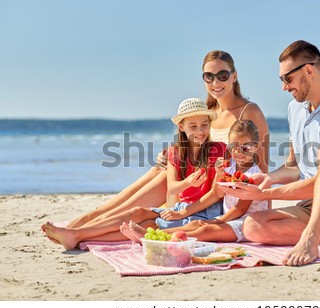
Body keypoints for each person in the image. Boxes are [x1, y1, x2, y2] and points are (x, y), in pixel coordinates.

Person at [43, 50, 269, 235]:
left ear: (234, 76)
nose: (215, 82)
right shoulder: (208, 110)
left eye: (222, 75)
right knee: (159, 169)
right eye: (208, 76)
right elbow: (194, 140)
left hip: (214, 188)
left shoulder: (249, 111)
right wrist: (172, 153)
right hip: (198, 178)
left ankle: (88, 226)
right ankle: (89, 219)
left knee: (161, 180)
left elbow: (261, 167)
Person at [218, 40, 320, 266]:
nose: (284, 87)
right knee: (252, 225)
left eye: (287, 79)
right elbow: (294, 167)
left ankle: (311, 238)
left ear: (309, 70)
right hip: (313, 205)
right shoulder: (295, 109)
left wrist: (266, 195)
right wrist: (267, 180)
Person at [41, 98, 227, 249]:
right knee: (137, 212)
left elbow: (214, 195)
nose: (200, 131)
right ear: (181, 127)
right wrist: (188, 183)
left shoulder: (219, 150)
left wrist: (183, 212)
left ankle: (77, 236)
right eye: (193, 126)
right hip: (181, 209)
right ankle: (78, 233)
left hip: (203, 212)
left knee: (146, 226)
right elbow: (172, 187)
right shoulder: (174, 152)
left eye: (204, 125)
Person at [121, 119, 268, 243]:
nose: (238, 152)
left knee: (205, 230)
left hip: (246, 223)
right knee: (195, 223)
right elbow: (216, 193)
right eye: (234, 146)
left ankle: (154, 240)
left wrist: (218, 220)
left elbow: (240, 209)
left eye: (245, 147)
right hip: (229, 218)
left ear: (255, 147)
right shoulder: (229, 166)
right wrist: (219, 174)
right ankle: (152, 235)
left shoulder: (254, 175)